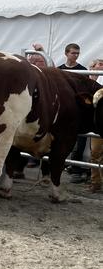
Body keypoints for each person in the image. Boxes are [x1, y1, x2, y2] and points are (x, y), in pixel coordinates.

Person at [58, 43, 89, 183]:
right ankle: (59, 165)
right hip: (61, 109)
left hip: (77, 108)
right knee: (59, 138)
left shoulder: (82, 70)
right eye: (73, 53)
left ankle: (76, 170)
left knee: (78, 140)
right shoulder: (59, 70)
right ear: (66, 53)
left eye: (77, 53)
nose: (75, 55)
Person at [88, 58, 103, 193]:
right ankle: (95, 182)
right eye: (100, 64)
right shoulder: (91, 79)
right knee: (95, 152)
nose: (102, 66)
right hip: (97, 122)